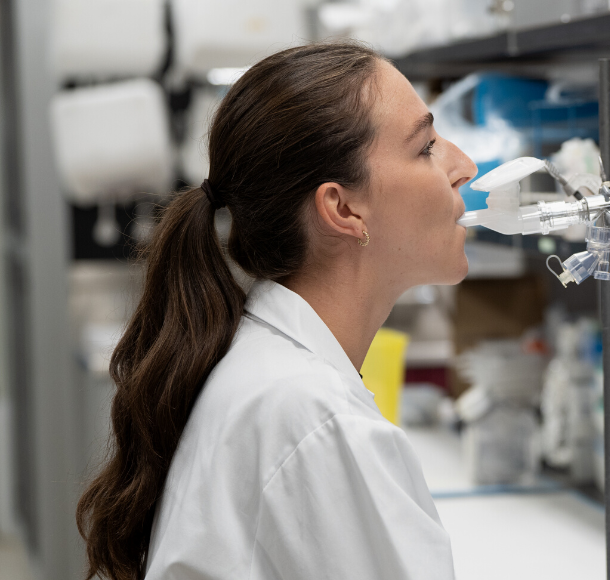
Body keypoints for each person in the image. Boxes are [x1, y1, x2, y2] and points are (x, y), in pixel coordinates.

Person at [75, 41, 477, 580]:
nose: (466, 166)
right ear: (342, 208)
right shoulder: (314, 416)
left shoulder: (268, 367)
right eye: (426, 147)